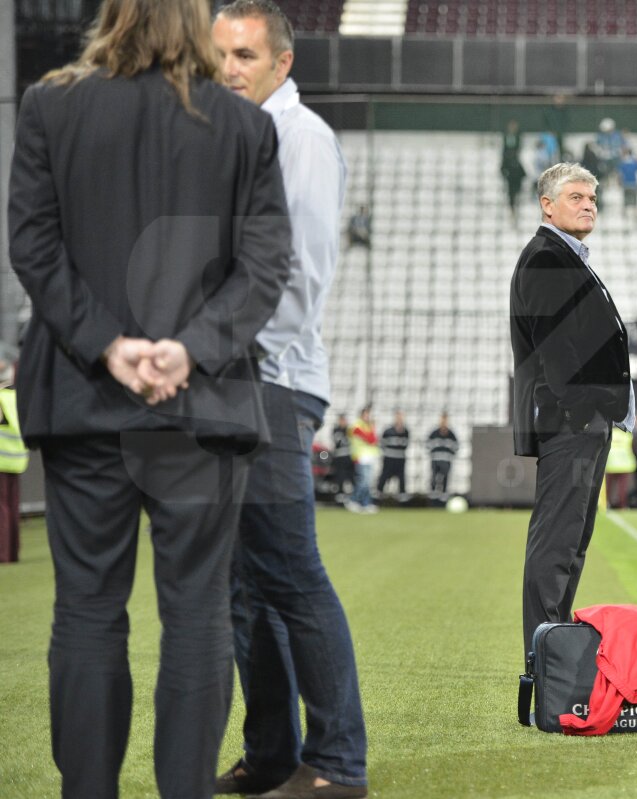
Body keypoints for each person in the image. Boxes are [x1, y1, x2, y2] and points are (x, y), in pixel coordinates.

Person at [6, 0, 293, 795]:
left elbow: (31, 241)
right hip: (200, 408)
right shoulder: (243, 127)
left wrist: (107, 343)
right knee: (197, 616)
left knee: (88, 611)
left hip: (83, 396)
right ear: (197, 22)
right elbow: (266, 265)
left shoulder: (49, 105)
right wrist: (189, 349)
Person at [210, 4, 369, 798]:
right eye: (221, 55)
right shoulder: (235, 134)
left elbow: (299, 276)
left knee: (291, 572)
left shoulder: (298, 137)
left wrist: (232, 352)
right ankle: (273, 752)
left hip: (269, 378)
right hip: (237, 378)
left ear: (283, 60)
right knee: (247, 584)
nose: (229, 68)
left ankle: (338, 761)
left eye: (245, 54)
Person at [510, 162, 633, 659]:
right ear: (547, 204)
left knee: (571, 543)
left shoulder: (564, 256)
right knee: (557, 544)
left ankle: (554, 651)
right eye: (577, 197)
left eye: (592, 199)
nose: (588, 205)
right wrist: (584, 411)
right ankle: (545, 659)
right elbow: (556, 348)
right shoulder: (547, 258)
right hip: (570, 424)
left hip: (581, 423)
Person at [0, 348, 28, 563]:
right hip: (16, 459)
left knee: (2, 510)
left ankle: (3, 554)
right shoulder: (16, 397)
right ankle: (12, 552)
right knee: (11, 508)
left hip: (1, 459)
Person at [347, 405, 379, 513]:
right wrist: (372, 429)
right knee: (363, 481)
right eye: (365, 415)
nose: (367, 417)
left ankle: (366, 503)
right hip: (361, 456)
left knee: (368, 482)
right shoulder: (356, 426)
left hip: (369, 457)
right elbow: (370, 439)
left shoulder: (368, 426)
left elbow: (374, 439)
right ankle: (353, 500)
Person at [376, 410, 409, 497]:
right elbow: (382, 444)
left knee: (401, 479)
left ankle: (402, 500)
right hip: (389, 459)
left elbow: (406, 445)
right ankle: (377, 497)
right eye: (398, 417)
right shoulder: (388, 432)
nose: (400, 419)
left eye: (401, 417)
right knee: (384, 477)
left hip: (400, 459)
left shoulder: (406, 432)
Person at [426, 412, 458, 498]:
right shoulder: (434, 434)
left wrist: (449, 454)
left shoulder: (451, 435)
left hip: (446, 460)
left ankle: (443, 498)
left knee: (445, 479)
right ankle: (433, 497)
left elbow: (456, 447)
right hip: (436, 460)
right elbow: (428, 445)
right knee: (434, 478)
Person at [604, 427, 637, 510]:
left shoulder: (609, 433)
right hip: (625, 465)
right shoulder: (628, 435)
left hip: (610, 465)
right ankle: (622, 506)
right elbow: (633, 448)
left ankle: (606, 504)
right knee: (622, 488)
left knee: (608, 487)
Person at [500, 119, 526, 222]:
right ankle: (512, 208)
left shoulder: (518, 138)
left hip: (514, 169)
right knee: (511, 190)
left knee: (515, 188)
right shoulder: (506, 137)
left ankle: (515, 203)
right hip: (510, 168)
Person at [330, 413, 354, 495]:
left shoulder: (349, 430)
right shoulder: (336, 430)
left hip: (348, 456)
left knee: (350, 476)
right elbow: (339, 442)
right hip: (339, 457)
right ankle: (340, 493)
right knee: (340, 475)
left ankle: (351, 494)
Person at [617, 148, 637, 216]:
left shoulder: (623, 162)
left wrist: (619, 181)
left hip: (626, 182)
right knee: (634, 198)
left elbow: (620, 173)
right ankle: (635, 211)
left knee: (626, 197)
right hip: (633, 182)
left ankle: (624, 212)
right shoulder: (635, 162)